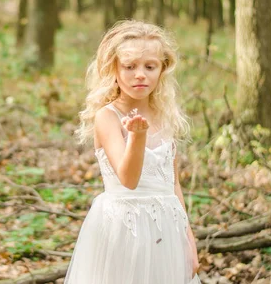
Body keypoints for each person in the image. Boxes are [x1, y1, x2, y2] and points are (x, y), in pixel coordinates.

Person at [65, 20, 200, 284]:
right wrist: (137, 137)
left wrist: (188, 238)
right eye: (129, 66)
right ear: (113, 68)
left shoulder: (165, 116)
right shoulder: (108, 117)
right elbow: (128, 179)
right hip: (124, 229)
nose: (140, 74)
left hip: (166, 230)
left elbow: (173, 183)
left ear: (162, 69)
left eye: (150, 67)